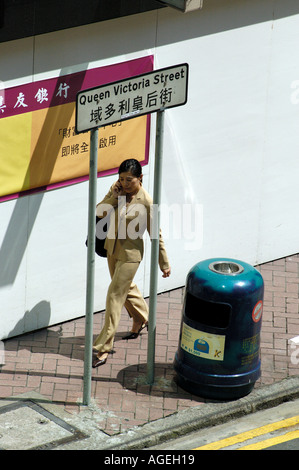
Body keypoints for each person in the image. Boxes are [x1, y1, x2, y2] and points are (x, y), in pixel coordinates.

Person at [92, 159, 171, 368]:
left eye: (129, 180)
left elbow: (156, 235)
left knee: (114, 295)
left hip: (131, 255)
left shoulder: (146, 201)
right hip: (111, 249)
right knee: (125, 289)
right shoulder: (116, 189)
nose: (125, 183)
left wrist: (163, 263)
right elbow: (99, 212)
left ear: (140, 179)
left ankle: (103, 347)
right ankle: (141, 318)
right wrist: (114, 196)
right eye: (121, 179)